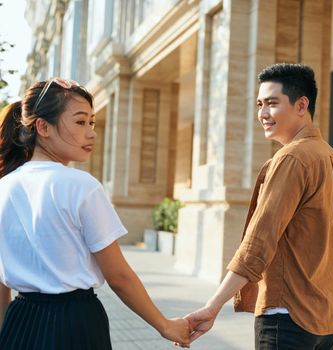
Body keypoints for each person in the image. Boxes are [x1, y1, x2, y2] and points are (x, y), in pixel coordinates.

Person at [0, 78, 191, 349]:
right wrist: (165, 325)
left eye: (92, 123)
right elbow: (119, 277)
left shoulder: (4, 186)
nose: (91, 133)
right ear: (43, 127)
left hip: (18, 323)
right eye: (80, 122)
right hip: (74, 324)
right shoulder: (81, 186)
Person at [184, 63, 333, 350]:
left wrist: (212, 307)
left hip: (288, 316)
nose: (262, 114)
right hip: (328, 319)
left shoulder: (292, 159)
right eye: (260, 104)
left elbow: (258, 244)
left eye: (272, 104)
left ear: (302, 105)